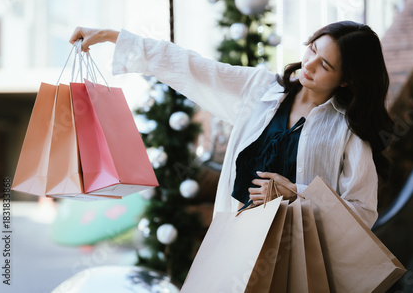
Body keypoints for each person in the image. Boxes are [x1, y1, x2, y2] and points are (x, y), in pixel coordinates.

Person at [70, 21, 393, 228]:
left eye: (324, 64)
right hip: (236, 244)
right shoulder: (262, 90)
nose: (308, 64)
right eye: (312, 48)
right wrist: (115, 37)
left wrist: (297, 193)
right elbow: (196, 68)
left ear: (347, 80)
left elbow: (361, 212)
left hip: (299, 260)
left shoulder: (347, 131)